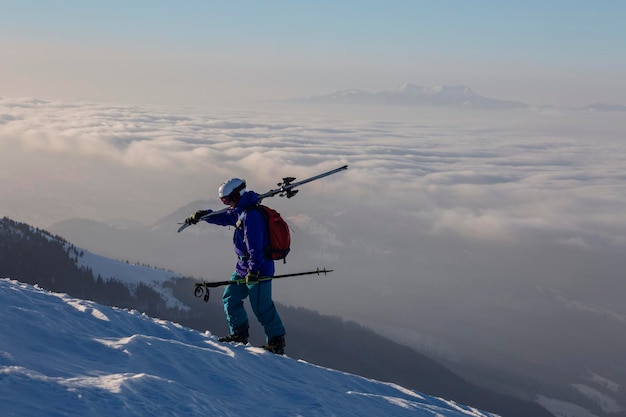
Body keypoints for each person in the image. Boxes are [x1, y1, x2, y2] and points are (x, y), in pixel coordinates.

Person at [185, 177, 286, 354]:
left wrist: (253, 271)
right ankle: (238, 334)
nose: (226, 203)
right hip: (243, 267)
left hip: (258, 269)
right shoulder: (240, 211)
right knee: (230, 298)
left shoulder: (251, 216)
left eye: (227, 199)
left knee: (262, 307)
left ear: (237, 195)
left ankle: (276, 342)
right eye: (223, 201)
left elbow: (256, 248)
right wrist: (204, 216)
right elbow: (224, 217)